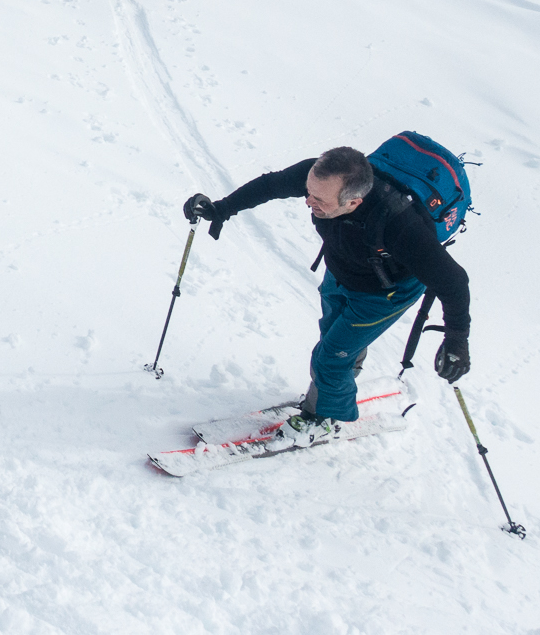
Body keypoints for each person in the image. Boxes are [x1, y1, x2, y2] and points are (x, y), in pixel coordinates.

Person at [183, 146, 471, 442]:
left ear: (353, 202)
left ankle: (323, 417)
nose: (307, 200)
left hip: (384, 294)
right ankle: (339, 376)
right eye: (308, 192)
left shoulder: (401, 226)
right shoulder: (322, 178)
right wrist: (223, 208)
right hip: (341, 271)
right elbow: (271, 185)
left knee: (329, 357)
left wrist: (456, 339)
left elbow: (454, 282)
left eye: (318, 199)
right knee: (333, 335)